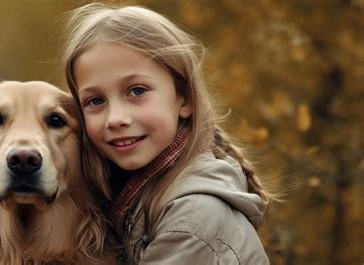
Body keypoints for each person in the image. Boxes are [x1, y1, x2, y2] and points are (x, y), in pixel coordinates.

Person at [61, 3, 272, 264]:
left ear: (184, 98)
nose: (115, 119)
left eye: (137, 91)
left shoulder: (192, 218)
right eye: (95, 101)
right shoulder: (128, 192)